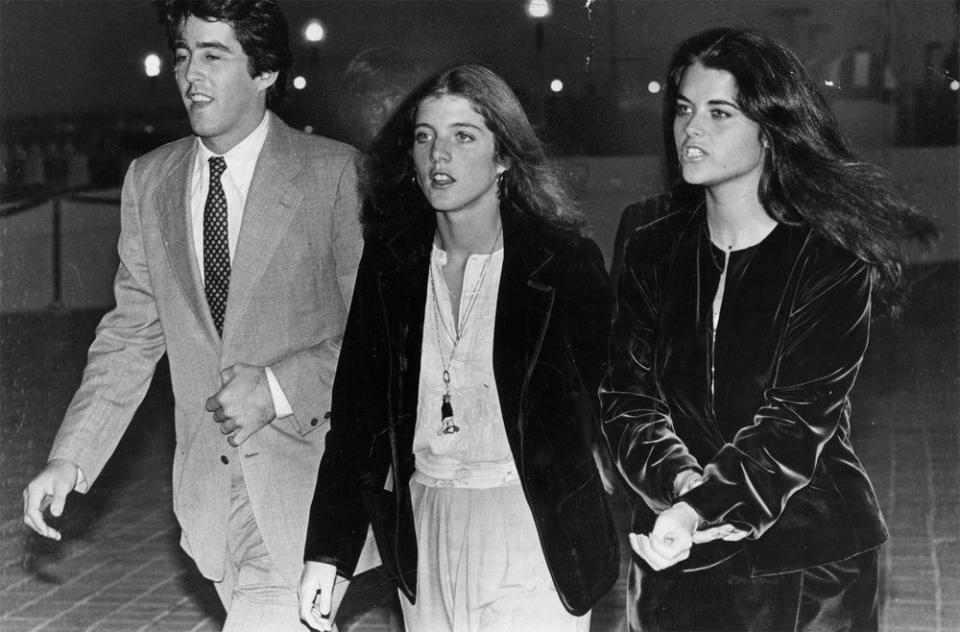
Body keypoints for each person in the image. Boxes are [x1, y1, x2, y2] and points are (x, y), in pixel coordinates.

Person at [22, 1, 365, 630]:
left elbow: (378, 340)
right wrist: (69, 457)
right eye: (183, 56)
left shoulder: (334, 175)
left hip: (310, 489)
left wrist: (277, 387)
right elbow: (129, 337)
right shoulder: (150, 181)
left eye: (213, 55)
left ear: (265, 73)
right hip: (210, 502)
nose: (190, 75)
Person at [600, 28, 938, 632]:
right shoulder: (651, 245)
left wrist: (699, 506)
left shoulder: (830, 256)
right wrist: (678, 488)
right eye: (683, 108)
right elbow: (628, 396)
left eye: (719, 112)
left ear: (770, 129)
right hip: (676, 547)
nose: (691, 129)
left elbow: (798, 417)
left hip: (807, 559)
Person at [299, 64, 619, 632]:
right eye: (425, 136)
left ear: (504, 157)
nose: (437, 155)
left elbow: (618, 396)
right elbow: (357, 421)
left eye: (462, 136)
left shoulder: (562, 262)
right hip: (426, 526)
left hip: (532, 527)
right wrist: (328, 555)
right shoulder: (391, 265)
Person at [334, 46, 425, 152]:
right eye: (376, 108)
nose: (390, 120)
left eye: (399, 104)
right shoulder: (339, 161)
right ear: (356, 117)